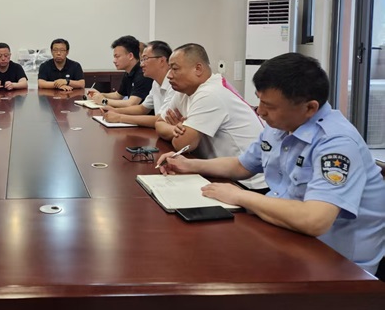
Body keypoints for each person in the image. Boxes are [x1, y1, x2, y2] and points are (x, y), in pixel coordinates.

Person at [157, 52, 385, 279]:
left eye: (269, 106)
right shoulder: (283, 125)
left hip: (340, 266)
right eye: (259, 100)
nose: (260, 111)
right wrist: (190, 165)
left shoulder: (337, 144)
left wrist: (240, 196)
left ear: (310, 108)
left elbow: (315, 220)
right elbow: (242, 165)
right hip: (289, 236)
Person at [155, 43, 265, 189]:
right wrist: (174, 129)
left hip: (247, 182)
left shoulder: (210, 93)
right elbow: (158, 123)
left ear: (198, 69)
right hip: (218, 171)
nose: (169, 75)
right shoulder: (183, 92)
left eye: (175, 69)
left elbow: (182, 145)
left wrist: (178, 132)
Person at [102, 40, 173, 127]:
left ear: (161, 61)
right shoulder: (156, 83)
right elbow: (142, 108)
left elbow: (160, 119)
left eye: (145, 59)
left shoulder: (174, 85)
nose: (141, 64)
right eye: (142, 60)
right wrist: (115, 111)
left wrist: (120, 117)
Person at [86, 35, 152, 108]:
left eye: (117, 57)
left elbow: (131, 103)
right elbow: (118, 95)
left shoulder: (142, 73)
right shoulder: (128, 72)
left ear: (130, 56)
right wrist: (100, 95)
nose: (114, 61)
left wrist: (103, 101)